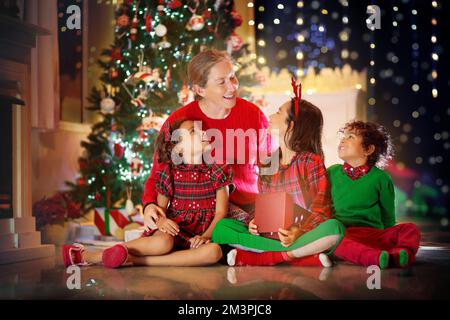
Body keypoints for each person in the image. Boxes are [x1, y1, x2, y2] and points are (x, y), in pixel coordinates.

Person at [63, 119, 232, 267]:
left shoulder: (217, 170)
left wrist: (204, 237)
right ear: (178, 148)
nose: (203, 132)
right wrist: (162, 221)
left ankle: (136, 260)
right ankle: (87, 256)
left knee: (214, 252)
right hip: (174, 230)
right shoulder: (170, 172)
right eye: (193, 131)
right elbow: (161, 210)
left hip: (201, 234)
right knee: (163, 242)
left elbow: (221, 212)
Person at [211, 80, 345, 267]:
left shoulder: (310, 162)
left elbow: (321, 211)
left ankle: (264, 257)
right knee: (221, 228)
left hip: (301, 234)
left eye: (279, 112)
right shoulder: (267, 163)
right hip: (270, 236)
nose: (271, 115)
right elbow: (263, 208)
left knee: (335, 228)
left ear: (291, 126)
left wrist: (299, 231)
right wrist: (254, 223)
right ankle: (297, 256)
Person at [142, 49, 271, 231]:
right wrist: (149, 205)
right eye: (221, 82)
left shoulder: (254, 115)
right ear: (199, 89)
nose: (232, 87)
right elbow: (158, 174)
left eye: (232, 77)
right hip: (202, 215)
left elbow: (272, 169)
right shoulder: (180, 122)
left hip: (249, 210)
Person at [330, 120, 421, 268]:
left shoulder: (381, 178)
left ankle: (400, 253)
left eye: (350, 137)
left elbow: (388, 216)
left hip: (374, 235)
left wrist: (388, 237)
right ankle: (374, 257)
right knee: (334, 242)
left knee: (410, 229)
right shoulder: (332, 172)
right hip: (345, 234)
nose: (343, 140)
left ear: (368, 149)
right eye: (343, 136)